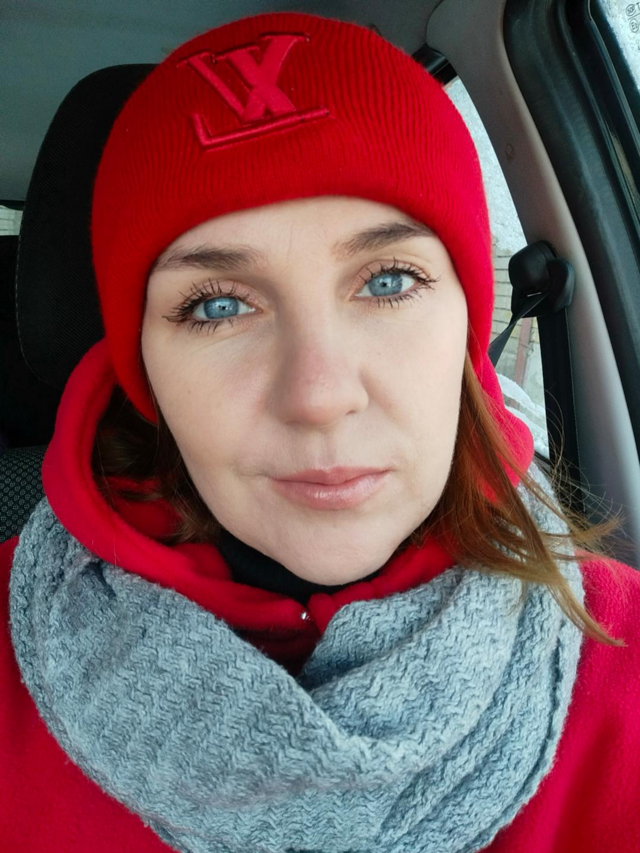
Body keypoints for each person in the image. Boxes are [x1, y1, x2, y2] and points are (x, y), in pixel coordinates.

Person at [1, 10, 639, 853]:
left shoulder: (623, 659)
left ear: (467, 321)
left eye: (388, 281)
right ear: (143, 367)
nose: (320, 395)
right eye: (217, 305)